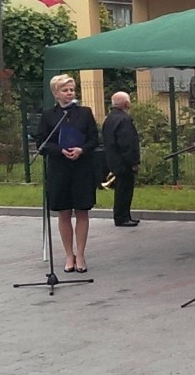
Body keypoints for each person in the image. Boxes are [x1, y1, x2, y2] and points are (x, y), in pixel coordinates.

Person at [37, 74, 100, 273]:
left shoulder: (85, 113)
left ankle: (80, 254)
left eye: (71, 89)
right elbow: (42, 144)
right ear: (56, 93)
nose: (69, 93)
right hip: (59, 170)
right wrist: (59, 150)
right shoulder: (49, 116)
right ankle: (68, 255)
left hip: (81, 169)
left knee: (82, 211)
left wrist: (81, 150)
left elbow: (94, 140)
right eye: (65, 90)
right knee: (64, 212)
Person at [102, 91, 141, 228]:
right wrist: (134, 161)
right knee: (124, 190)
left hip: (114, 160)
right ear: (126, 103)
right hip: (124, 162)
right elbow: (128, 143)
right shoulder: (124, 120)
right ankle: (122, 217)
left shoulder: (109, 118)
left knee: (120, 189)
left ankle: (124, 216)